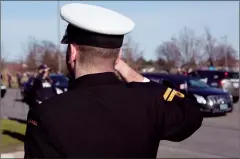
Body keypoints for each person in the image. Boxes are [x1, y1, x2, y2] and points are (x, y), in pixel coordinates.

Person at [24, 3, 203, 158]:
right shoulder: (147, 103)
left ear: (72, 52)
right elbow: (191, 112)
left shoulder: (47, 114)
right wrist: (136, 78)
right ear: (119, 56)